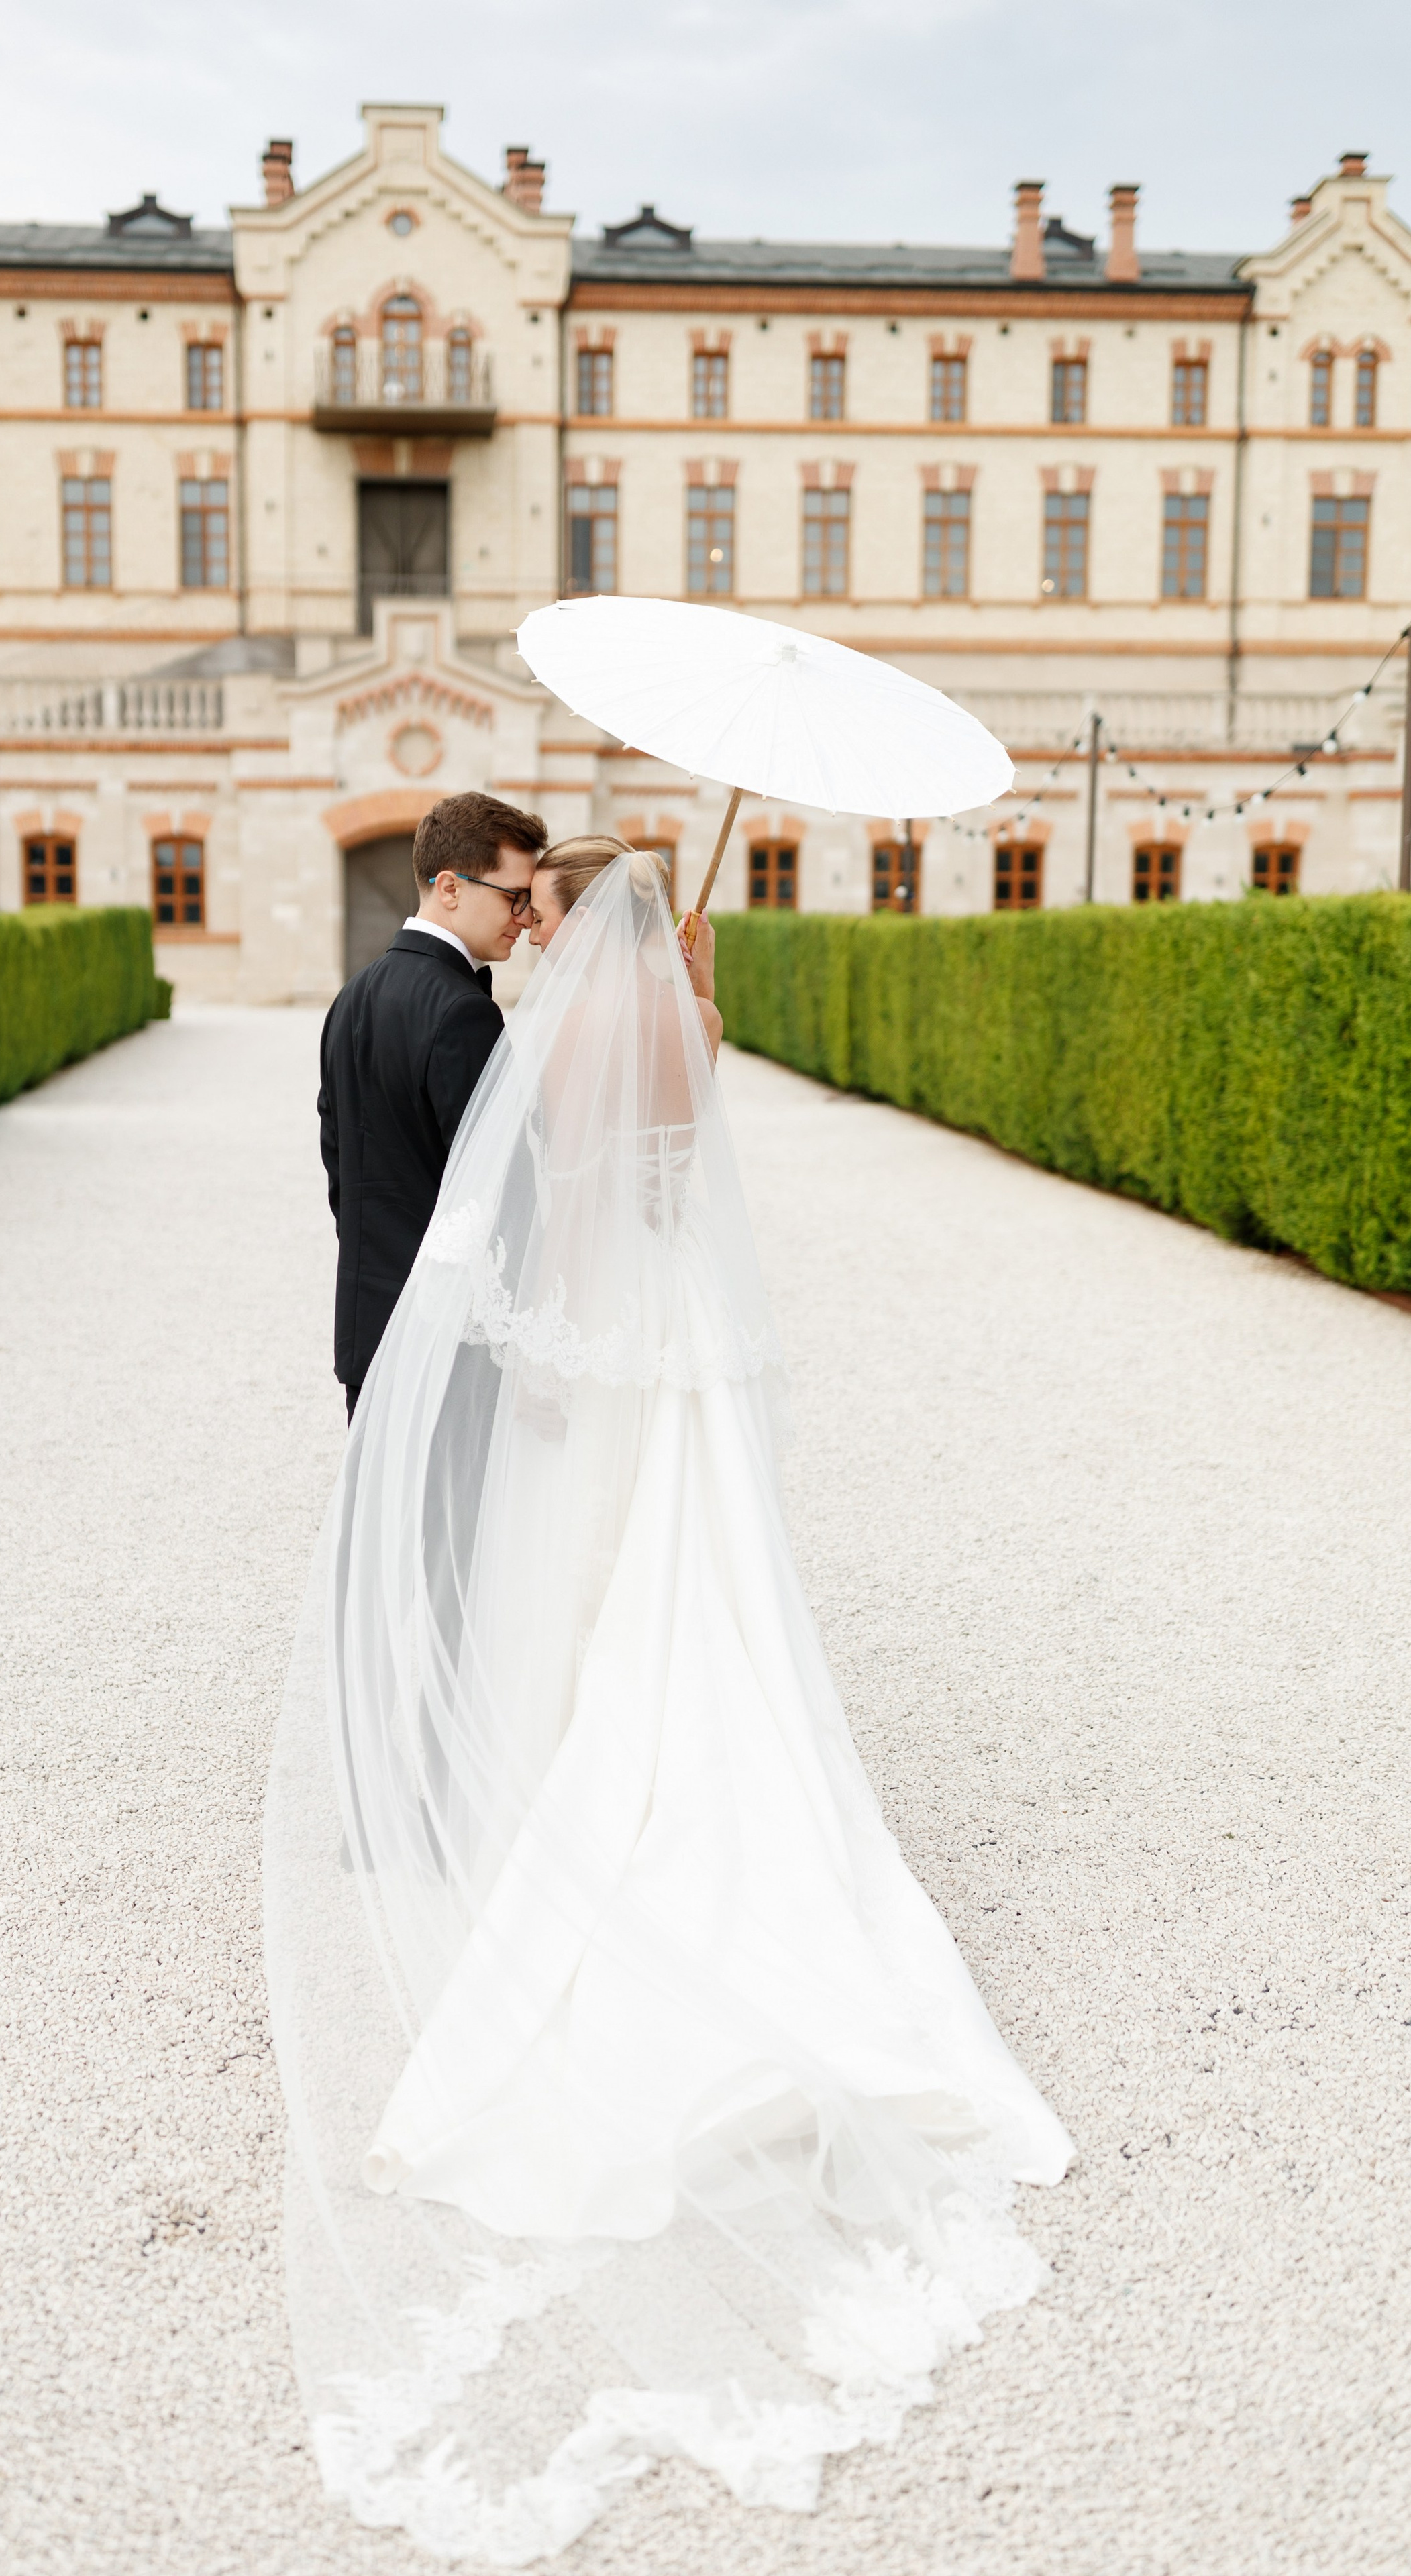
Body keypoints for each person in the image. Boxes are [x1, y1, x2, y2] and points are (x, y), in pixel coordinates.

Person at [267, 844, 1072, 2563]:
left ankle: (583, 1802)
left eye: (542, 909)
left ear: (570, 919)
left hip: (611, 1328)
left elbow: (554, 1208)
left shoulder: (565, 1024)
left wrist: (530, 1350)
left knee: (590, 1587)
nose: (527, 928)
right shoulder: (689, 1016)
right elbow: (675, 1166)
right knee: (705, 1587)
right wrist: (689, 989)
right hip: (691, 1329)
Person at [317, 792, 548, 1419]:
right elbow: (500, 1186)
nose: (525, 917)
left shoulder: (353, 994)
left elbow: (340, 1165)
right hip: (445, 1337)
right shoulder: (464, 1012)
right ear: (449, 887)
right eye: (514, 895)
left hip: (367, 1322)